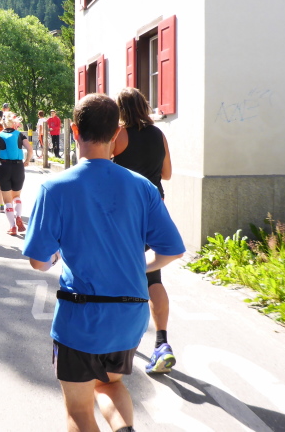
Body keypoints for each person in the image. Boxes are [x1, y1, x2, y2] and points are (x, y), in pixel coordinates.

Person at [22, 93, 185, 432]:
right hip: (129, 316)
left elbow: (39, 262)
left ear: (75, 130)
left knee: (78, 410)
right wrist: (139, 268)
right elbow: (172, 250)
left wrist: (55, 255)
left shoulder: (55, 188)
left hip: (80, 317)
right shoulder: (142, 187)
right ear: (116, 133)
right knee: (109, 384)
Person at [112, 87, 175, 374]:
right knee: (153, 277)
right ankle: (162, 343)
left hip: (125, 214)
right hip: (155, 209)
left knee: (120, 275)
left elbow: (103, 169)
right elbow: (167, 174)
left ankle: (121, 341)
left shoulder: (119, 135)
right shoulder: (159, 134)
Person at [0, 111, 33, 236]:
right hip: (18, 167)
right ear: (14, 123)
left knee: (7, 200)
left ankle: (12, 226)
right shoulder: (20, 135)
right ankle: (18, 216)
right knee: (17, 196)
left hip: (4, 167)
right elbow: (30, 149)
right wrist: (27, 161)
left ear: (2, 123)